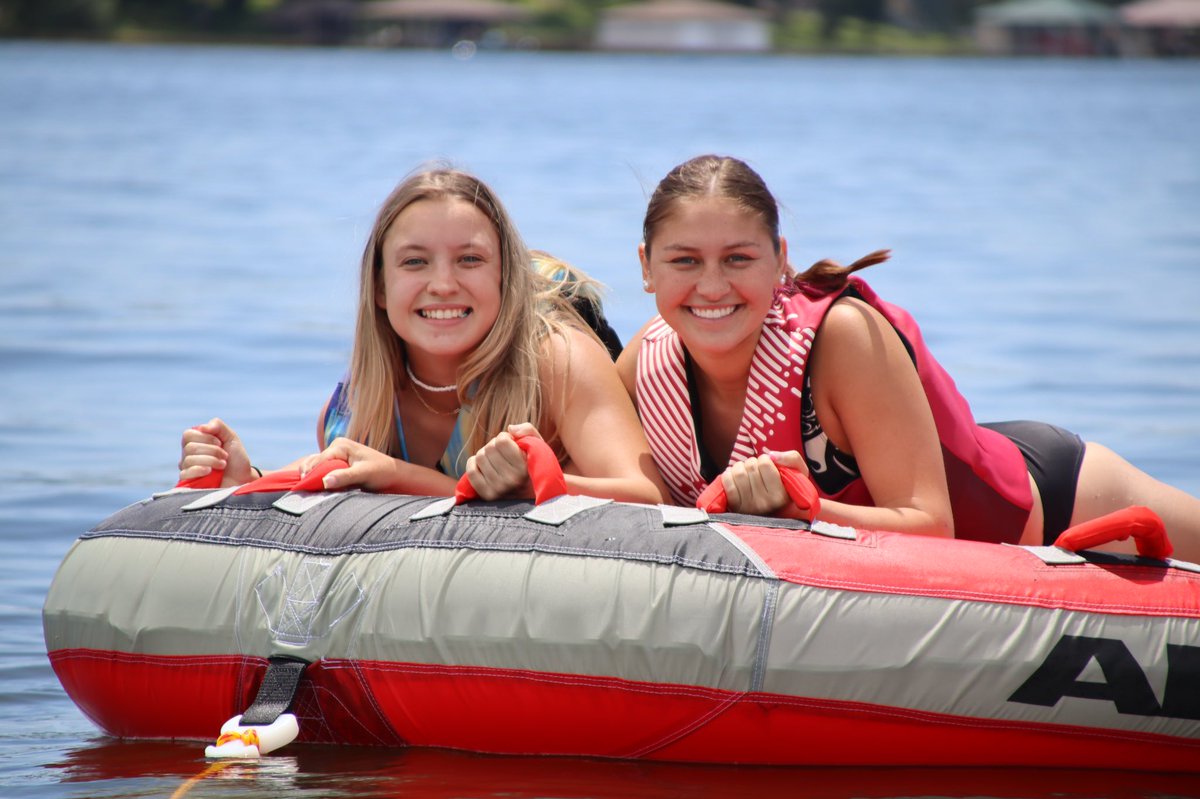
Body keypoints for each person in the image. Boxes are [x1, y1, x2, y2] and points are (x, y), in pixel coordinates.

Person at [617, 154, 1200, 561]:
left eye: (739, 259)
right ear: (647, 267)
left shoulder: (841, 338)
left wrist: (805, 510)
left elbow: (930, 525)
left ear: (780, 260)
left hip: (1054, 502)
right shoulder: (646, 366)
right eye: (685, 261)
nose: (712, 287)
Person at [180, 167, 668, 504]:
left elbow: (652, 500)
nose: (442, 284)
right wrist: (249, 482)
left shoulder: (559, 361)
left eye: (470, 260)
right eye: (415, 262)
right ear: (379, 287)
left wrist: (532, 486)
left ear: (506, 277)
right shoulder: (355, 405)